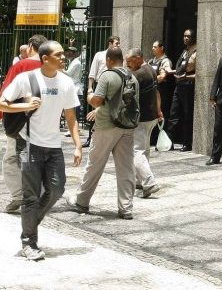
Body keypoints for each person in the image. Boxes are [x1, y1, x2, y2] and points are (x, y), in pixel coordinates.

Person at [0, 40, 81, 261]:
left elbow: (71, 117)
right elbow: (2, 103)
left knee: (57, 189)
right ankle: (29, 242)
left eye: (64, 54)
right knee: (31, 196)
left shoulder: (66, 82)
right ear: (45, 59)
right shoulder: (26, 79)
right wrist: (25, 106)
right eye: (59, 54)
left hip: (53, 145)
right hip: (28, 144)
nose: (64, 58)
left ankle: (30, 224)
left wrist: (77, 146)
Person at [67, 46, 138, 220]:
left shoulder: (107, 75)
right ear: (122, 59)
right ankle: (126, 208)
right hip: (127, 127)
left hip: (106, 126)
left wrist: (89, 95)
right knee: (126, 168)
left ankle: (81, 201)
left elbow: (97, 101)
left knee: (95, 165)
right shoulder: (132, 77)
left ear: (108, 60)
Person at [1, 34, 47, 213]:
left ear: (30, 47)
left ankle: (18, 195)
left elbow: (6, 94)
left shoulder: (21, 66)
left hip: (20, 121)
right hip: (44, 123)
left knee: (11, 159)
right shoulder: (51, 67)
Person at [126, 48, 162, 197]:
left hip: (141, 119)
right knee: (145, 150)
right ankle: (140, 180)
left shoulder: (137, 75)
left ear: (138, 58)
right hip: (151, 117)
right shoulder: (151, 70)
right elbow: (157, 93)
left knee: (136, 152)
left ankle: (149, 182)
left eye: (129, 61)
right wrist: (159, 111)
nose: (127, 64)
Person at [83, 35, 121, 147]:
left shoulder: (118, 56)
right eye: (116, 43)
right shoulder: (99, 55)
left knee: (108, 110)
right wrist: (90, 87)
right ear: (110, 43)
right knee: (95, 111)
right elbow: (92, 71)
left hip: (112, 85)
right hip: (100, 84)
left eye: (119, 43)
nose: (118, 45)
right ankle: (91, 137)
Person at [164, 30, 197, 151]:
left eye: (189, 36)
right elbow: (180, 68)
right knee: (174, 114)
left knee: (187, 115)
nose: (186, 38)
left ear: (194, 38)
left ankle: (187, 143)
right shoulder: (185, 51)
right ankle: (169, 142)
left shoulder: (196, 51)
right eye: (184, 36)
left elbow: (199, 73)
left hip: (188, 85)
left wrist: (186, 77)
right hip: (179, 85)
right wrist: (171, 72)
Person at [148, 39, 173, 119]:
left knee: (161, 112)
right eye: (152, 47)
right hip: (152, 91)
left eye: (155, 47)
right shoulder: (151, 61)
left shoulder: (165, 61)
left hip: (161, 91)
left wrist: (149, 80)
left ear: (161, 48)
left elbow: (162, 77)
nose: (153, 48)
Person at [64, 46, 83, 130]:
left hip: (75, 89)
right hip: (72, 88)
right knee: (71, 109)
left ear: (75, 54)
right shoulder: (72, 61)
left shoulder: (76, 63)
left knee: (74, 110)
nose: (68, 53)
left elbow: (68, 73)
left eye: (71, 52)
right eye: (67, 52)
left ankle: (74, 129)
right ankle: (72, 128)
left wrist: (59, 69)